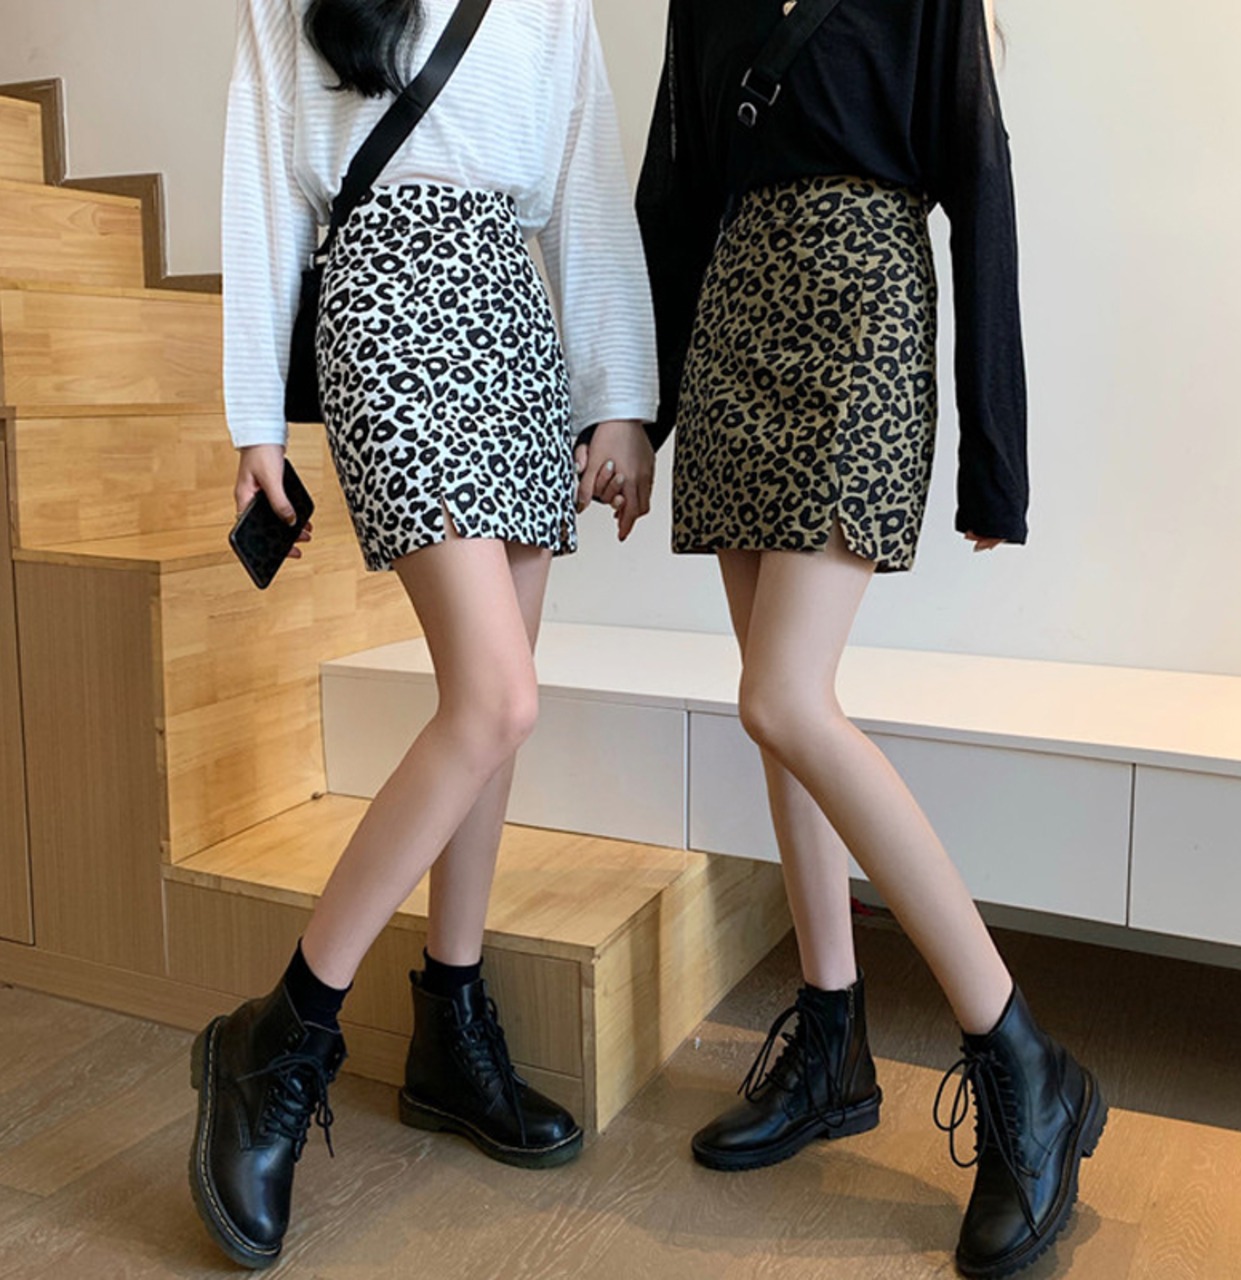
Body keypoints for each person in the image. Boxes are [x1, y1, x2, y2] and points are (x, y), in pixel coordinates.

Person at [635, 1, 1104, 1276]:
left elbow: (981, 191)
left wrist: (993, 457)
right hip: (734, 320)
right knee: (773, 707)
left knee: (782, 697)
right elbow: (671, 194)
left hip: (861, 317)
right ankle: (832, 1039)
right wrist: (630, 407)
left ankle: (1021, 1056)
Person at [191, 0, 657, 1266]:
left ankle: (451, 1021)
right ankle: (281, 1034)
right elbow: (261, 181)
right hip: (385, 299)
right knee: (496, 697)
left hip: (513, 316)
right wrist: (254, 418)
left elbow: (586, 183)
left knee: (495, 708)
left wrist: (617, 396)